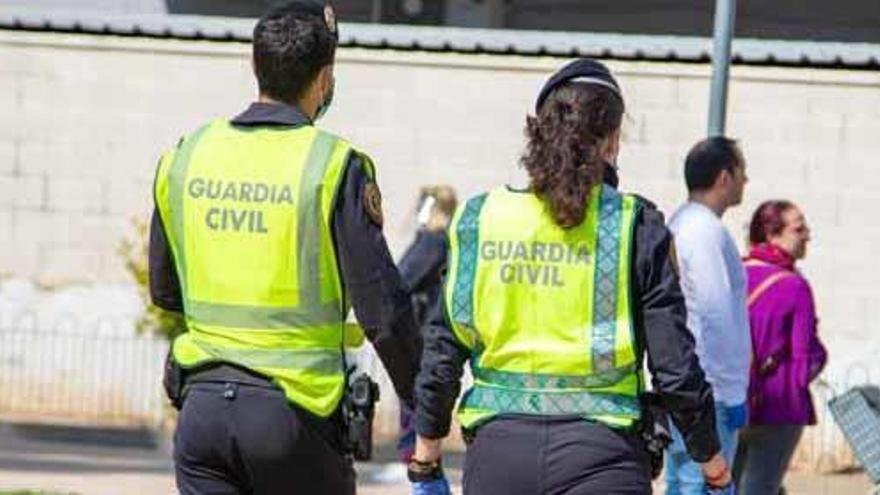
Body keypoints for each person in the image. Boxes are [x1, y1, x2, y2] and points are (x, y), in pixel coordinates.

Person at [408, 58, 730, 495]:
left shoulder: (480, 219)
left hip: (499, 459)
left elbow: (444, 347)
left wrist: (426, 457)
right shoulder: (636, 225)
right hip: (604, 458)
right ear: (612, 142)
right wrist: (712, 463)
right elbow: (674, 367)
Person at [148, 2, 421, 493]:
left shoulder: (189, 154)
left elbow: (166, 291)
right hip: (294, 417)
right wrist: (423, 402)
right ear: (324, 79)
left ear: (256, 67)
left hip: (203, 411)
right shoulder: (333, 164)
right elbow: (382, 309)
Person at [666, 137, 752, 495]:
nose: (746, 181)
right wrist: (731, 394)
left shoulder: (684, 222)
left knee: (683, 483)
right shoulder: (705, 232)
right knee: (699, 485)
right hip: (710, 390)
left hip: (692, 385)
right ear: (724, 177)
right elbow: (715, 315)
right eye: (742, 172)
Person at [734, 201, 827, 495]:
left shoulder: (734, 272)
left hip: (730, 403)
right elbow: (805, 359)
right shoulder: (794, 286)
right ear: (772, 234)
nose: (807, 235)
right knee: (761, 488)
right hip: (778, 408)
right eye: (799, 228)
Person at [396, 186, 458, 463]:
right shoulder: (439, 240)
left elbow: (402, 278)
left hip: (420, 330)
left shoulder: (433, 242)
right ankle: (413, 454)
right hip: (425, 329)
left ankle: (413, 455)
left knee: (414, 398)